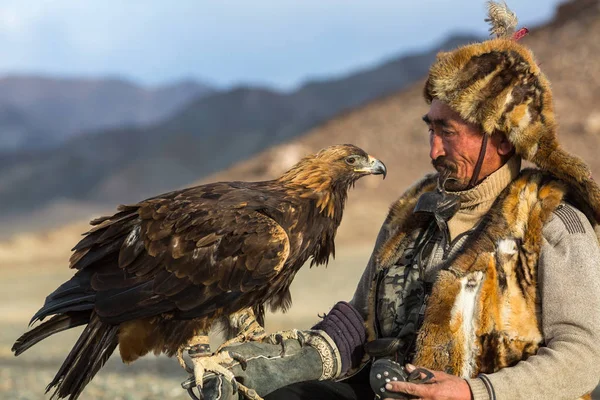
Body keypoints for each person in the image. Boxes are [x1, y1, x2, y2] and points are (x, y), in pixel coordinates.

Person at [190, 2, 600, 399]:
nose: (434, 151)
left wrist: (476, 392)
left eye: (448, 132)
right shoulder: (411, 212)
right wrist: (278, 366)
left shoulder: (554, 224)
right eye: (431, 130)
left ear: (503, 139)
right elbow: (361, 321)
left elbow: (584, 354)